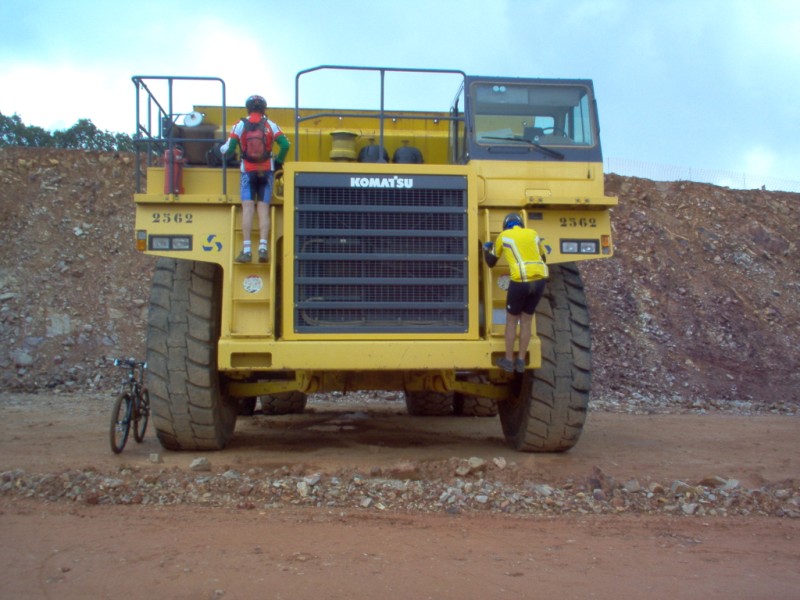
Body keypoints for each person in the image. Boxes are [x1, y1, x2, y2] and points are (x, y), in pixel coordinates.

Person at [220, 94, 290, 263]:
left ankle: (246, 250)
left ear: (248, 108)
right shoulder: (270, 125)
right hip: (266, 171)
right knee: (263, 209)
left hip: (248, 171)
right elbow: (285, 145)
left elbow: (229, 149)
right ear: (264, 109)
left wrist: (225, 153)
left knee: (248, 208)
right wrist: (278, 162)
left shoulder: (240, 125)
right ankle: (263, 248)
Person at [483, 213, 549, 373]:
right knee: (526, 321)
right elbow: (543, 258)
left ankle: (508, 360)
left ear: (505, 225)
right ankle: (520, 361)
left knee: (512, 321)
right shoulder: (533, 233)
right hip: (540, 280)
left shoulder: (504, 236)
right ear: (521, 224)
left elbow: (491, 262)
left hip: (520, 281)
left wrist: (486, 249)